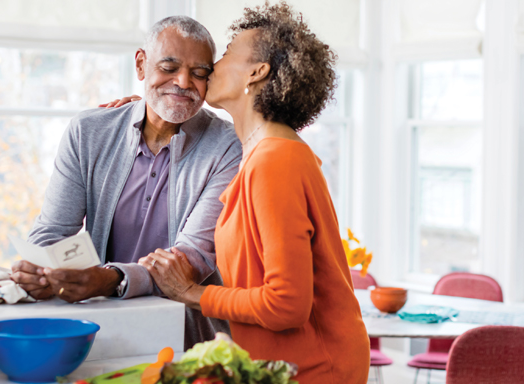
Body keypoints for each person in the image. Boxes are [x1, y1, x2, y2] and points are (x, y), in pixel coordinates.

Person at [134, 3, 370, 383]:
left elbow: (287, 305)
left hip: (312, 370)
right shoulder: (264, 154)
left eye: (227, 53)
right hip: (282, 365)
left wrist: (191, 292)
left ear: (257, 73)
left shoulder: (274, 161)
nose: (213, 65)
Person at [11, 16, 242, 349]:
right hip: (96, 327)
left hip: (188, 335)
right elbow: (51, 230)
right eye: (169, 67)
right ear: (141, 64)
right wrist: (40, 268)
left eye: (199, 73)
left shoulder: (228, 145)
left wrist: (109, 279)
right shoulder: (90, 131)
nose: (183, 82)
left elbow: (193, 258)